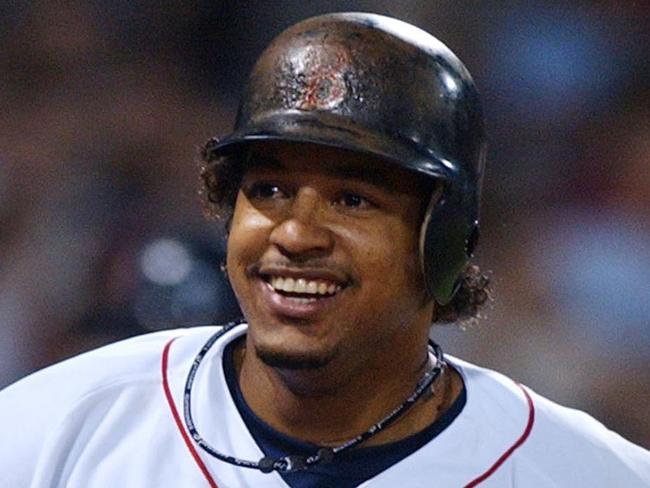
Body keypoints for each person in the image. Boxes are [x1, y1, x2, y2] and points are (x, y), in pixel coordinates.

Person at [1, 12, 649, 488]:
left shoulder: (584, 472)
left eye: (353, 199)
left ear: (446, 238)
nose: (294, 232)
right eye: (270, 189)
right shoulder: (57, 428)